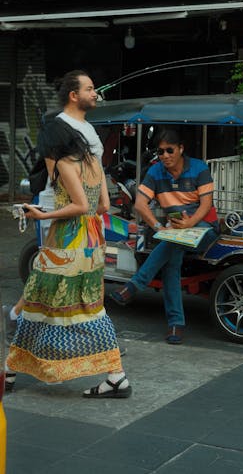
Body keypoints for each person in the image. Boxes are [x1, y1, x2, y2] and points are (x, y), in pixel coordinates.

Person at [5, 118, 131, 398]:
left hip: (66, 243)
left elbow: (80, 204)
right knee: (90, 308)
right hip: (93, 241)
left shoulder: (64, 163)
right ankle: (116, 376)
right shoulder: (92, 160)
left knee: (36, 299)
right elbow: (102, 206)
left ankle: (10, 371)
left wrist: (43, 214)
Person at [9, 70, 105, 325]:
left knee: (78, 280)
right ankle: (18, 318)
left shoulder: (89, 129)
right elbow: (56, 177)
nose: (95, 93)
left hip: (87, 216)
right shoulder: (57, 127)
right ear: (74, 95)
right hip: (62, 213)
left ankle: (79, 336)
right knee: (51, 277)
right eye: (89, 88)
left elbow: (97, 172)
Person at [109, 129, 219, 345]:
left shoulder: (199, 167)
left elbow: (206, 205)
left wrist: (189, 223)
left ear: (181, 149)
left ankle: (135, 286)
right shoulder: (156, 171)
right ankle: (175, 325)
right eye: (161, 152)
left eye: (170, 150)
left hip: (205, 226)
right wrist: (159, 227)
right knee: (172, 257)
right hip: (175, 230)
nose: (165, 156)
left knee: (173, 243)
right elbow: (140, 204)